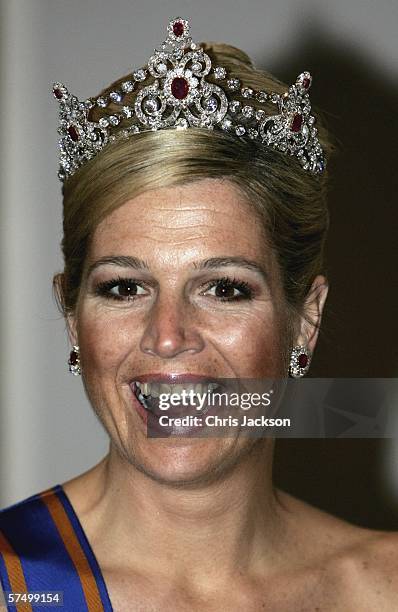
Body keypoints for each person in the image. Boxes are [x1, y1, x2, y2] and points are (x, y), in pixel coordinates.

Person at [1, 16, 397, 612]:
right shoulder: (15, 584)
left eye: (226, 289)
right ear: (71, 315)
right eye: (124, 288)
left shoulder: (383, 587)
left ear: (305, 320)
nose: (167, 337)